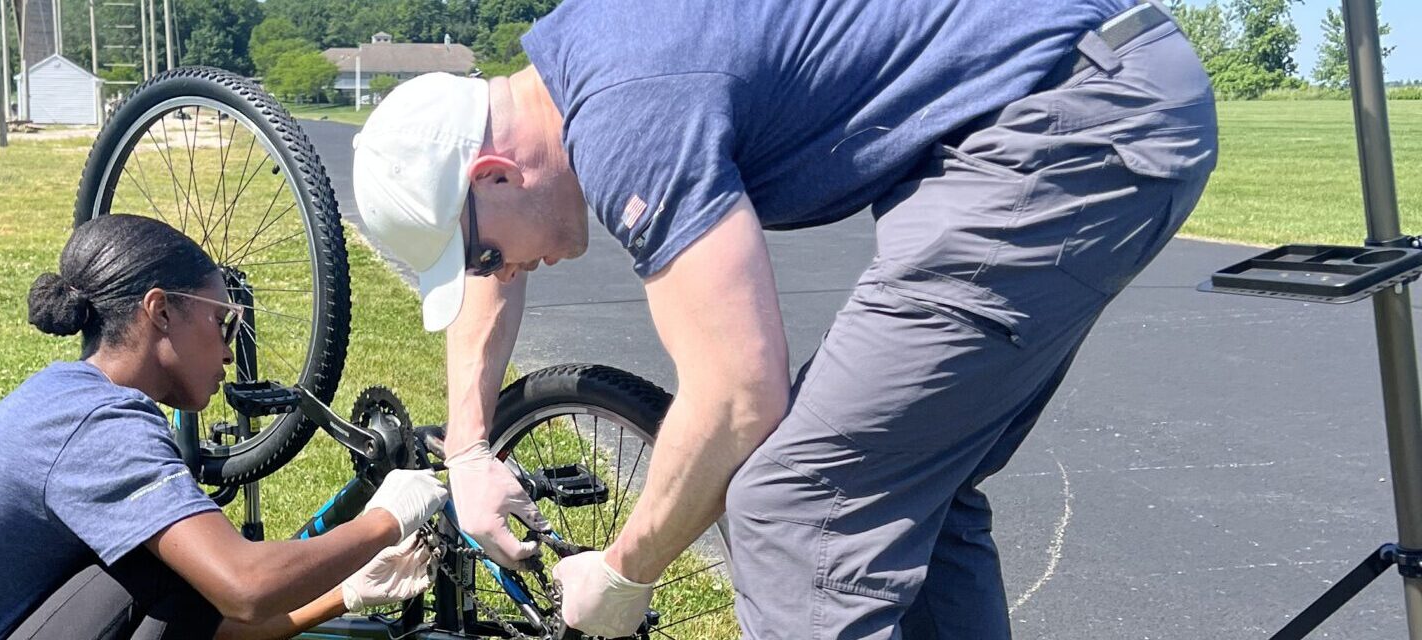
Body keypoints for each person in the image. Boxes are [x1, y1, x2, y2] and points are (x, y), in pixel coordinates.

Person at [351, 0, 1217, 637]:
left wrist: (623, 573)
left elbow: (737, 395)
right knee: (905, 489)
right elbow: (498, 255)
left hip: (1061, 121)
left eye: (483, 256)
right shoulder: (568, 66)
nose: (506, 275)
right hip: (1075, 92)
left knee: (795, 503)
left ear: (497, 174)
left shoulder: (628, 116)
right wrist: (465, 452)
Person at [0, 214, 448, 640]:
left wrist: (343, 594)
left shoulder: (66, 397)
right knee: (171, 570)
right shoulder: (99, 427)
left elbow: (195, 622)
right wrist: (386, 520)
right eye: (223, 321)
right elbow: (242, 588)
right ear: (160, 311)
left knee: (173, 565)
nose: (229, 349)